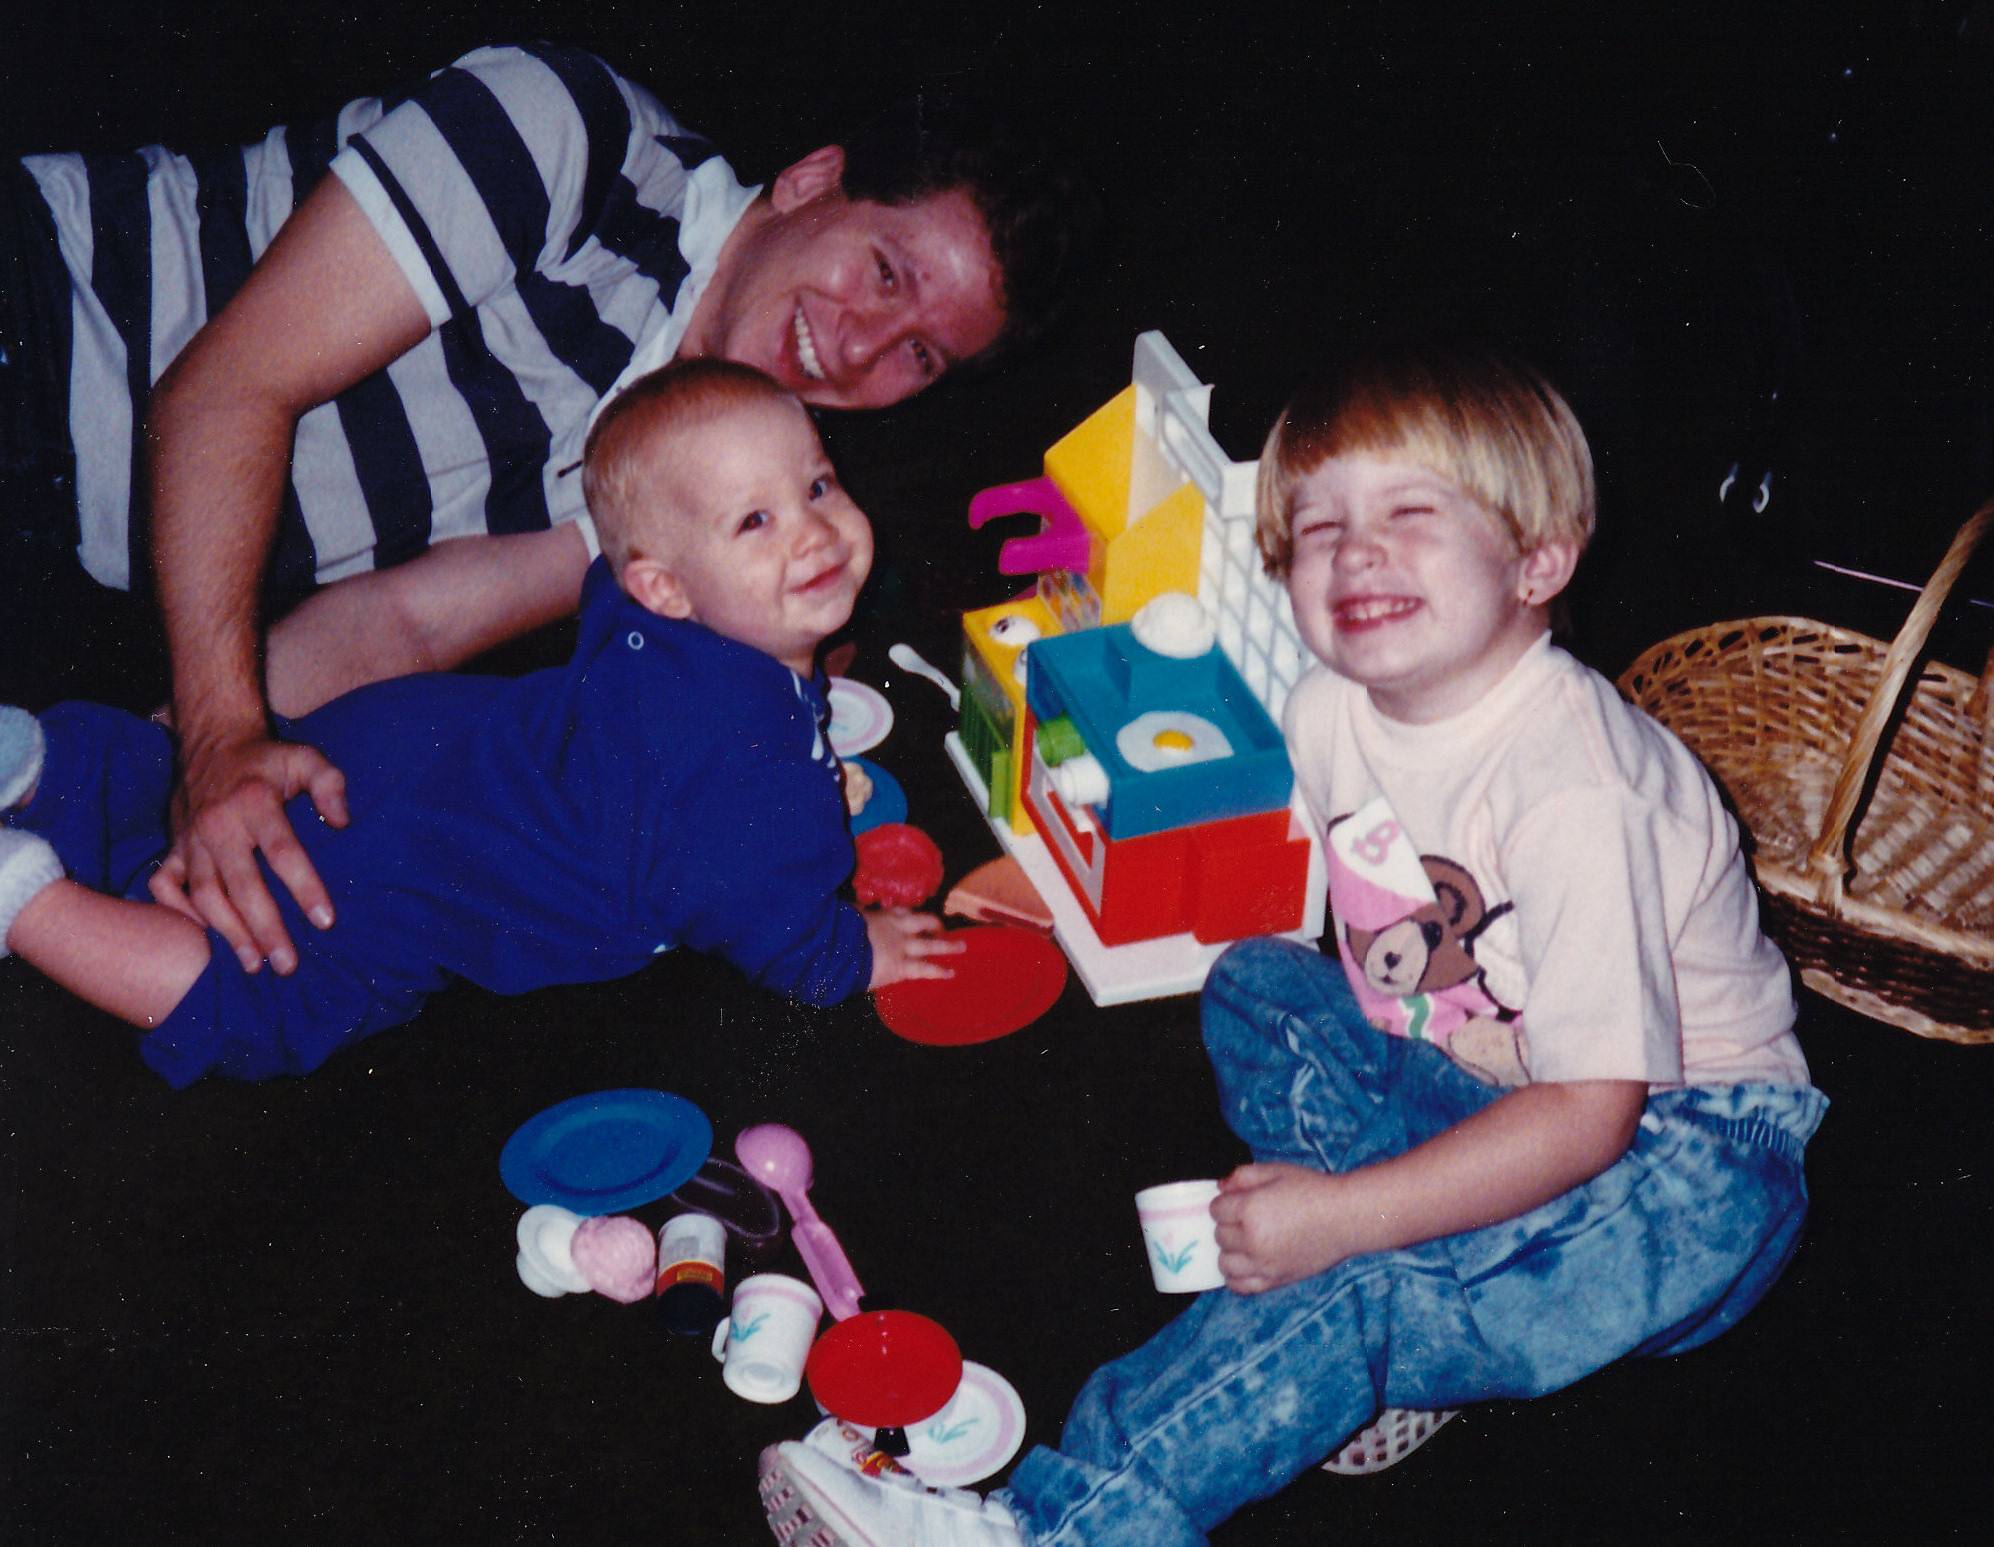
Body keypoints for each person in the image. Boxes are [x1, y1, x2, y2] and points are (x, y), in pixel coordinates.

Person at [748, 342, 1828, 1545]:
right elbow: (1285, 894)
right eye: (1316, 528)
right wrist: (1057, 867)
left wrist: (1349, 1216)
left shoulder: (1574, 790)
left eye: (1409, 514)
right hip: (1486, 1083)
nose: (1353, 552)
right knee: (1253, 986)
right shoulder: (1327, 708)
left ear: (1536, 560)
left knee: (1352, 1272)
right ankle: (1402, 1302)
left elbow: (1590, 1114)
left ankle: (1054, 1525)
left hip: (1681, 1171)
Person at [0, 41, 1092, 983]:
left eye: (919, 354)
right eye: (886, 273)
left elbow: (402, 627)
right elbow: (220, 392)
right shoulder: (571, 135)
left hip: (65, 543)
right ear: (813, 182)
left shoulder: (695, 476)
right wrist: (216, 746)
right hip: (44, 315)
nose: (859, 347)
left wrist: (153, 809)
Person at [0, 359, 957, 1088]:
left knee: (155, 768)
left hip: (402, 744)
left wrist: (790, 646)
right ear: (666, 586)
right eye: (755, 522)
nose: (813, 531)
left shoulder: (648, 615)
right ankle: (27, 902)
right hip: (408, 869)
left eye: (817, 486)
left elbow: (666, 644)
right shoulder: (751, 770)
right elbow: (760, 911)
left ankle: (40, 762)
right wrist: (853, 954)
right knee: (264, 994)